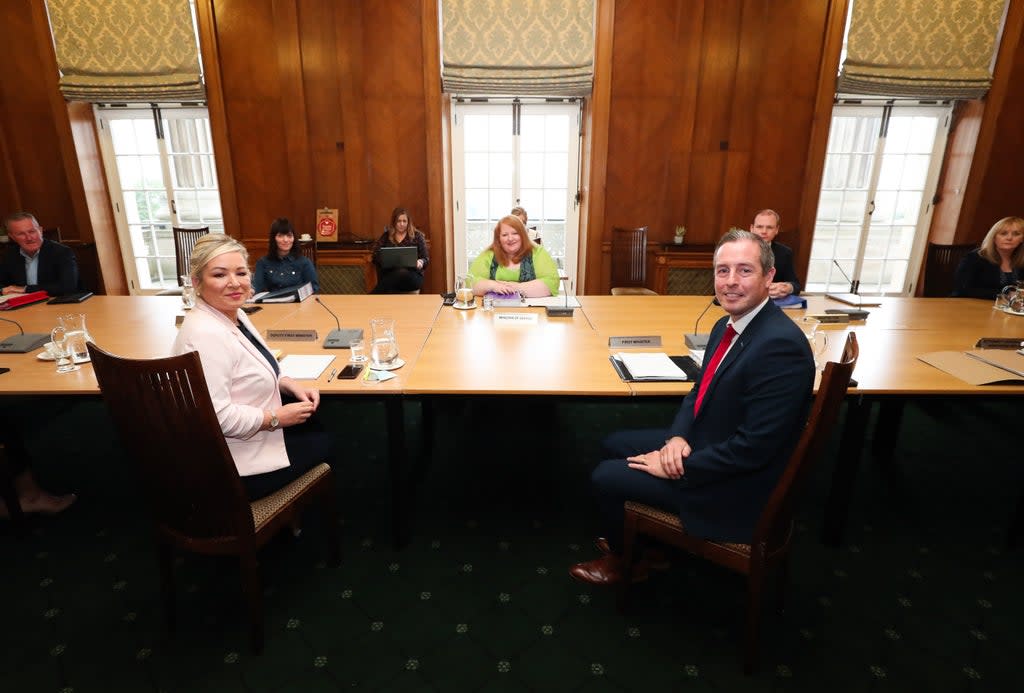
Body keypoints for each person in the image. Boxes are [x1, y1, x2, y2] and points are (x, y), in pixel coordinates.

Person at [569, 230, 815, 585]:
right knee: (614, 443)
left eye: (744, 270)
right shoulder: (727, 325)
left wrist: (677, 467)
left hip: (738, 486)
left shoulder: (780, 348)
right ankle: (647, 544)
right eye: (722, 270)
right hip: (714, 441)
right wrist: (678, 437)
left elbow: (754, 450)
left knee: (605, 476)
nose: (730, 282)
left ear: (769, 276)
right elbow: (699, 390)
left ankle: (627, 563)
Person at [172, 234, 331, 500]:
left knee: (319, 422)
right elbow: (218, 418)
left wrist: (287, 382)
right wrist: (277, 418)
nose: (234, 283)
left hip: (249, 438)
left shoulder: (235, 314)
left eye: (241, 273)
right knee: (327, 441)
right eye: (220, 275)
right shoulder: (206, 334)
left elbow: (262, 361)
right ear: (197, 282)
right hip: (234, 465)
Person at [468, 215, 559, 297]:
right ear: (498, 238)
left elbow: (552, 282)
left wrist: (518, 287)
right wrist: (493, 285)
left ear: (523, 235)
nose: (510, 238)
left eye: (515, 233)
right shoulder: (488, 254)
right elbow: (470, 282)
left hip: (532, 312)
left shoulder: (538, 252)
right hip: (494, 310)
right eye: (504, 235)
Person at [1, 211, 79, 296]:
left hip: (57, 304)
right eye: (21, 234)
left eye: (32, 231)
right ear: (12, 237)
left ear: (40, 230)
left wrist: (24, 289)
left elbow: (67, 287)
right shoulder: (9, 255)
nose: (29, 238)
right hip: (23, 305)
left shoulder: (62, 252)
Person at [952, 216, 1024, 299]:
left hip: (1007, 309)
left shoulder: (1021, 261)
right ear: (994, 237)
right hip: (969, 306)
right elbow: (962, 289)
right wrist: (1006, 294)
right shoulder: (974, 258)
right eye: (1003, 233)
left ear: (1022, 239)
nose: (1009, 238)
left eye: (1016, 234)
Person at [252, 218, 320, 293]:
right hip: (272, 302)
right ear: (273, 239)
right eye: (280, 236)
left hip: (298, 302)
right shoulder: (263, 262)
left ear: (294, 238)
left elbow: (314, 287)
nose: (286, 240)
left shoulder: (304, 262)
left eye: (289, 236)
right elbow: (256, 288)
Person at [370, 207, 429, 294]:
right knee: (396, 273)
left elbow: (426, 259)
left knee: (402, 271)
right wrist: (384, 259)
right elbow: (374, 255)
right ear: (394, 222)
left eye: (404, 221)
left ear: (408, 222)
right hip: (390, 275)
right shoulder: (386, 236)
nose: (402, 224)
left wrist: (420, 262)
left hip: (411, 277)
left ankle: (371, 296)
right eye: (399, 221)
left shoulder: (417, 236)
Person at [749, 209, 801, 297]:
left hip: (772, 302)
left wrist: (787, 287)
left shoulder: (785, 252)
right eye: (759, 227)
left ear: (776, 230)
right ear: (752, 228)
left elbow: (796, 285)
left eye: (769, 227)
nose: (764, 231)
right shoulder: (738, 250)